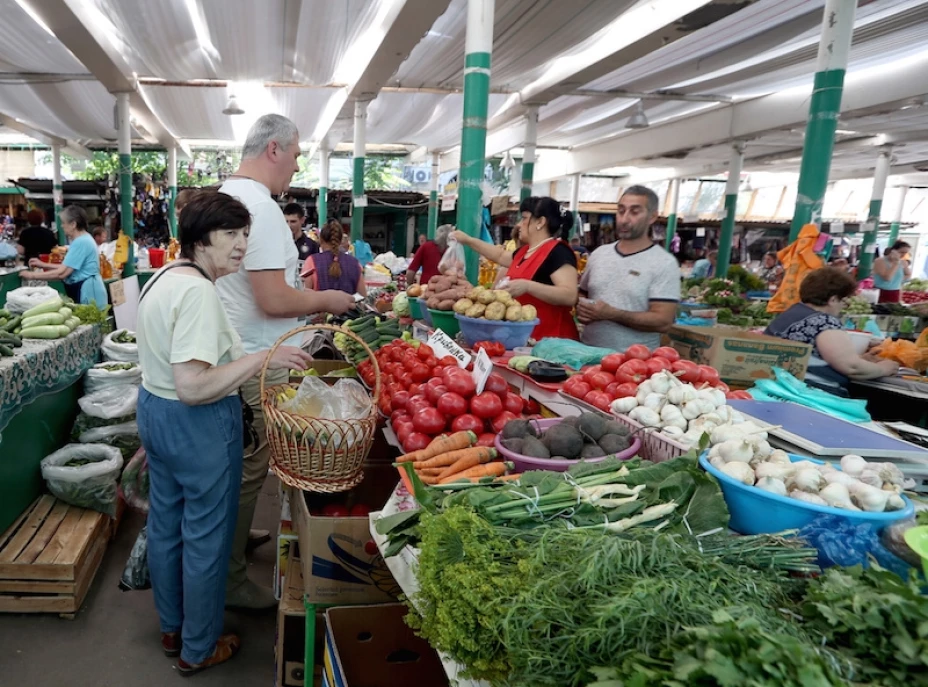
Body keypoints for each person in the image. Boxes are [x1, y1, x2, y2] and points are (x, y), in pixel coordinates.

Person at [137, 192, 312, 675]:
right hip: (195, 425)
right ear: (200, 238)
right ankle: (199, 647)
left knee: (167, 527)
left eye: (245, 235)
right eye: (230, 234)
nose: (241, 246)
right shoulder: (197, 292)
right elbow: (193, 386)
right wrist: (263, 357)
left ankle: (172, 628)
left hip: (154, 412)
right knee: (206, 539)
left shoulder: (164, 277)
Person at [215, 114, 354, 610]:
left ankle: (233, 541)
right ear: (274, 149)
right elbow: (273, 298)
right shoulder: (262, 209)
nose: (297, 166)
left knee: (238, 463)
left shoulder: (226, 196)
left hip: (234, 352)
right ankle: (228, 581)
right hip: (258, 357)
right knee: (251, 466)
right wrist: (327, 300)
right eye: (296, 155)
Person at [453, 196, 579, 340]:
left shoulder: (558, 252)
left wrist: (528, 286)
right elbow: (499, 255)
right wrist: (467, 240)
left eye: (524, 218)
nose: (519, 224)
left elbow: (569, 295)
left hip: (552, 341)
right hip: (524, 338)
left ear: (540, 222)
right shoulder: (525, 251)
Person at [765, 266, 899, 395]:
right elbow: (852, 368)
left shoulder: (791, 314)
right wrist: (884, 368)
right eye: (844, 301)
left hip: (778, 388)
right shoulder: (824, 322)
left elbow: (813, 356)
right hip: (812, 396)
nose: (843, 306)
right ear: (833, 299)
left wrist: (860, 359)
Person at [578, 185, 680, 351]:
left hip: (634, 365)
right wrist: (582, 308)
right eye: (621, 211)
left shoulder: (664, 263)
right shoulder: (599, 254)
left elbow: (663, 321)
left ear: (652, 216)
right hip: (587, 356)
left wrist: (613, 314)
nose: (624, 219)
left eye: (634, 212)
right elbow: (584, 293)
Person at [22, 206, 107, 305]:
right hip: (87, 289)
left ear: (73, 224)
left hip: (88, 291)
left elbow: (62, 273)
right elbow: (68, 267)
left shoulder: (81, 242)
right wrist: (43, 265)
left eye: (63, 222)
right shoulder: (83, 239)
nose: (62, 226)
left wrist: (32, 275)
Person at [302, 220, 366, 296]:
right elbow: (362, 296)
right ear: (340, 240)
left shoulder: (311, 261)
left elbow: (304, 294)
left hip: (319, 307)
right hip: (348, 307)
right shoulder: (355, 264)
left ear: (321, 240)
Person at [284, 202, 318, 269]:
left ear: (302, 220)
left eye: (293, 221)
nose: (289, 225)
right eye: (286, 221)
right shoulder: (278, 244)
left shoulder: (312, 246)